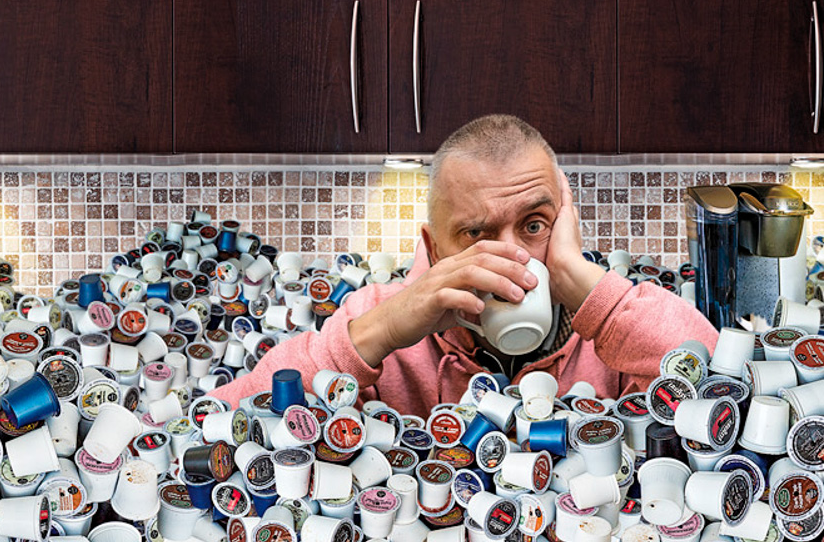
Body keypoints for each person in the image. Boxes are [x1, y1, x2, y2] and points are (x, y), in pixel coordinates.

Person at [209, 115, 718, 417]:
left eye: (535, 225)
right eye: (476, 234)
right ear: (433, 249)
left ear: (566, 227)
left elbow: (720, 391)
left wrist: (587, 287)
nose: (511, 258)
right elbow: (235, 421)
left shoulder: (616, 330)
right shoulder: (379, 319)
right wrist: (381, 331)